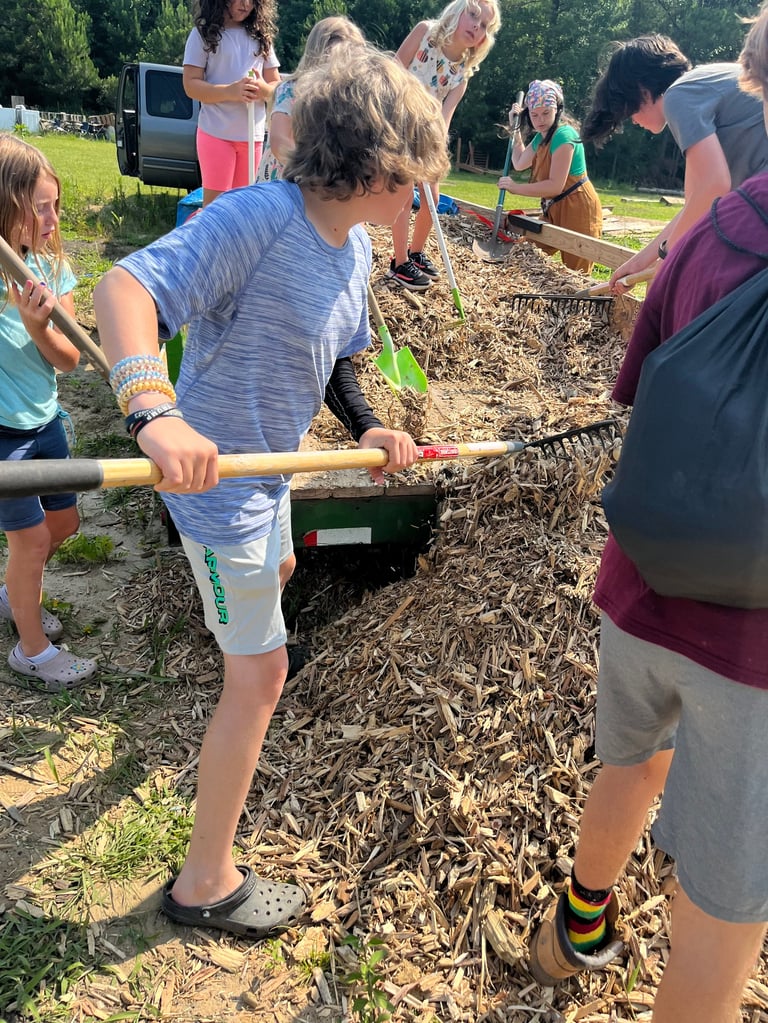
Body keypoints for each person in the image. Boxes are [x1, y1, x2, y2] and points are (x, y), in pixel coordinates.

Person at [93, 45, 449, 939]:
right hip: (215, 487)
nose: (418, 200)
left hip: (273, 473)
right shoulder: (258, 219)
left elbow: (336, 362)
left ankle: (244, 616)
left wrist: (367, 425)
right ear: (374, 165)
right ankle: (205, 880)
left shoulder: (354, 247)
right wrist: (153, 411)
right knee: (261, 674)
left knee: (280, 571)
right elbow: (125, 287)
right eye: (414, 179)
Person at [526, 12, 768, 1021]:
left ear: (753, 81)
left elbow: (643, 389)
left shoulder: (716, 225)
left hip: (643, 586)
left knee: (628, 762)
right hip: (752, 647)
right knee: (727, 897)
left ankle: (576, 924)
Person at [0, 135, 98, 692]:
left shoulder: (48, 272)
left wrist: (40, 325)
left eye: (56, 205)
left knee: (63, 523)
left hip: (44, 420)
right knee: (32, 541)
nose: (52, 218)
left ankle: (16, 592)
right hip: (3, 435)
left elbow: (69, 361)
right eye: (40, 206)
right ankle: (32, 650)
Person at [582, 33, 768, 289]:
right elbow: (696, 206)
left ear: (643, 91)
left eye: (628, 110)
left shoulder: (679, 95)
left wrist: (667, 257)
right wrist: (641, 262)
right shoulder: (702, 82)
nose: (633, 120)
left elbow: (715, 185)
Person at [388, 0, 500, 291]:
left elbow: (445, 115)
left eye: (485, 25)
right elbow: (393, 69)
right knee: (402, 195)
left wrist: (435, 145)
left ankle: (415, 252)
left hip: (427, 134)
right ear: (457, 12)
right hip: (399, 124)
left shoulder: (461, 72)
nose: (477, 26)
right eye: (473, 15)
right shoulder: (425, 32)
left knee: (432, 199)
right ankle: (399, 263)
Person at [498, 79, 602, 274]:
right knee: (526, 251)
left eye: (546, 113)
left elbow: (555, 185)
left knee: (576, 272)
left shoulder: (564, 135)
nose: (540, 120)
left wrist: (516, 188)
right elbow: (519, 162)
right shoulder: (541, 137)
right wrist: (516, 128)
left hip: (578, 207)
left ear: (557, 109)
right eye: (534, 115)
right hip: (554, 207)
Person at [183, 0, 280, 206]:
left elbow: (277, 89)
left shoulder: (261, 38)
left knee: (243, 208)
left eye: (253, 1)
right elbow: (190, 85)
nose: (246, 4)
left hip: (252, 138)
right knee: (216, 209)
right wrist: (230, 91)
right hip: (215, 133)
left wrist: (261, 89)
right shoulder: (202, 34)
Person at [256, 16, 365, 184]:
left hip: (320, 187)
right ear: (320, 55)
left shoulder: (346, 97)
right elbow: (279, 141)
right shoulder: (292, 89)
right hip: (285, 182)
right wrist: (314, 168)